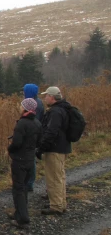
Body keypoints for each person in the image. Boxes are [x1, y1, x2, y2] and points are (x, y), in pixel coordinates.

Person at [7, 98, 42, 230]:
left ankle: (22, 219)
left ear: (25, 108)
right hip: (29, 159)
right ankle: (20, 213)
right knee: (24, 188)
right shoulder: (37, 123)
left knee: (18, 189)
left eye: (21, 105)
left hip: (19, 160)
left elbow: (16, 142)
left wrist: (10, 150)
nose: (19, 107)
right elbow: (40, 141)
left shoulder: (22, 123)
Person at [38, 86, 72, 216]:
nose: (45, 98)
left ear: (52, 97)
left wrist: (41, 147)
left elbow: (51, 131)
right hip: (62, 147)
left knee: (53, 177)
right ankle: (59, 202)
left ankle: (56, 206)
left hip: (55, 149)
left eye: (46, 96)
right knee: (60, 176)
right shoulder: (64, 109)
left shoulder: (56, 112)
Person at [23, 84, 45, 192]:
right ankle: (27, 182)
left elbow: (33, 121)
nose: (23, 92)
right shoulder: (38, 102)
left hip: (33, 135)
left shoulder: (35, 104)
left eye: (24, 91)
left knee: (30, 159)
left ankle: (29, 183)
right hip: (35, 133)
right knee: (30, 159)